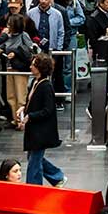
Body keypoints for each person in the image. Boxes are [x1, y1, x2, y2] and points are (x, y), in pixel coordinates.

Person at [20, 53, 67, 187]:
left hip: (40, 131)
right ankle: (57, 177)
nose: (30, 67)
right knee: (34, 157)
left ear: (40, 68)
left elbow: (48, 109)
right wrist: (23, 109)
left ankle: (33, 188)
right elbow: (32, 102)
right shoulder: (36, 83)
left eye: (33, 65)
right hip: (36, 130)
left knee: (34, 161)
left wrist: (30, 116)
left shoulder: (45, 86)